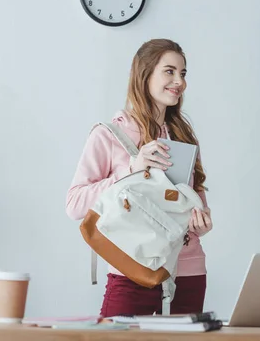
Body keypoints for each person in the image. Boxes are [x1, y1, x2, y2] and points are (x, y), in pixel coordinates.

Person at [66, 38, 213, 317]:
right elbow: (74, 203)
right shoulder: (109, 135)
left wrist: (201, 223)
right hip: (132, 269)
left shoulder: (184, 137)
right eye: (169, 71)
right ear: (145, 74)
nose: (179, 81)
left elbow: (195, 206)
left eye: (183, 73)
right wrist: (131, 170)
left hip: (188, 272)